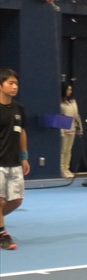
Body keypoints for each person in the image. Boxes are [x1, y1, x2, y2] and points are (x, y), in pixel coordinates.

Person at [0, 69, 30, 250]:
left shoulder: (19, 108)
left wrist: (24, 156)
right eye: (10, 83)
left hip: (14, 162)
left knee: (16, 200)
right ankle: (2, 234)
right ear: (0, 85)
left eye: (16, 83)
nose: (14, 87)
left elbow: (22, 132)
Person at [59, 82, 83, 178]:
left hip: (72, 128)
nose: (70, 91)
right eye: (68, 89)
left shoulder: (73, 101)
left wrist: (80, 128)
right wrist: (61, 131)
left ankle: (66, 168)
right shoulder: (60, 103)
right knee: (63, 150)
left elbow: (76, 116)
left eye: (70, 90)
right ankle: (61, 169)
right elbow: (60, 117)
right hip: (64, 128)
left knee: (69, 150)